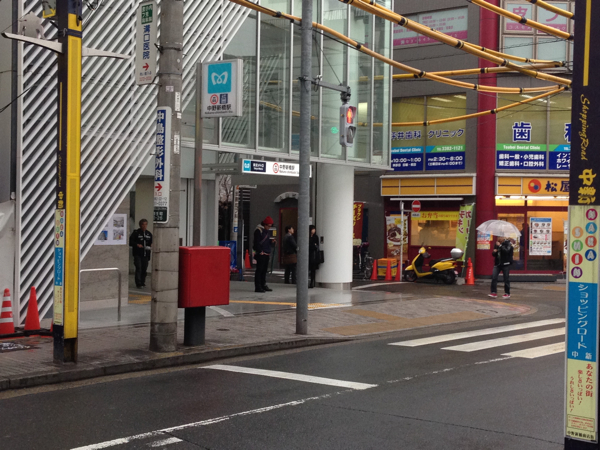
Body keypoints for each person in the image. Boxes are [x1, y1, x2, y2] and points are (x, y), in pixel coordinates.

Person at [253, 216, 276, 293]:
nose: (269, 228)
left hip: (266, 253)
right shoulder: (258, 231)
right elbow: (256, 243)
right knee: (259, 270)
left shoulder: (266, 231)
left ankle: (263, 284)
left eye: (270, 226)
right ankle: (258, 286)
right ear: (264, 224)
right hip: (261, 253)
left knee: (264, 270)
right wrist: (260, 251)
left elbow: (266, 241)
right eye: (268, 226)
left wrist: (271, 242)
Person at [129, 219, 153, 289]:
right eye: (143, 224)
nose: (144, 226)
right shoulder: (136, 233)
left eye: (145, 224)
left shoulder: (149, 234)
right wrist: (137, 245)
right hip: (138, 254)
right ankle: (138, 283)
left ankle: (143, 282)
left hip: (146, 254)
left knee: (144, 269)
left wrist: (151, 245)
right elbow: (130, 242)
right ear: (140, 225)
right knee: (139, 268)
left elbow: (151, 242)